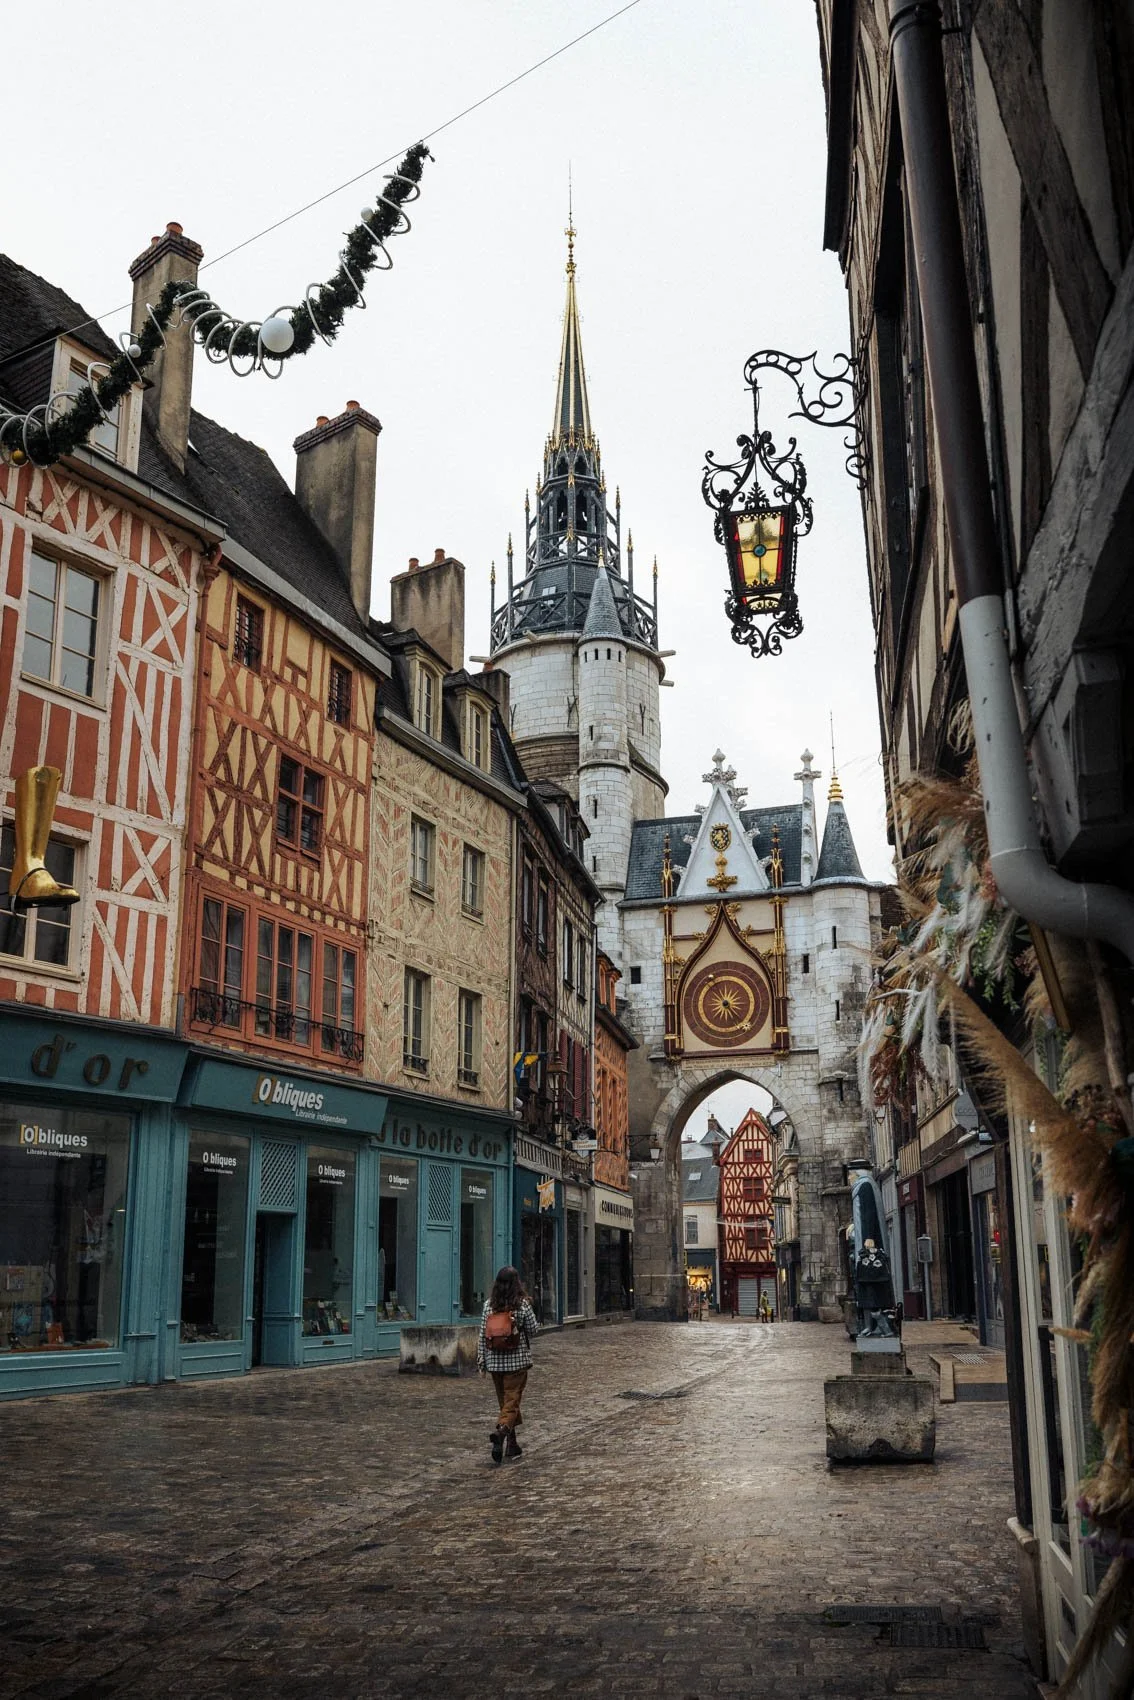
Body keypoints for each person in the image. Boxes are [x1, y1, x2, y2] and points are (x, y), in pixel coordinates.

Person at [477, 1265, 539, 1465]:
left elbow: (482, 1335)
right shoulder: (521, 1304)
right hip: (516, 1362)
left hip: (495, 1363)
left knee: (506, 1404)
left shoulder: (488, 1305)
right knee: (511, 1403)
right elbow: (533, 1330)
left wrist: (482, 1361)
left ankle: (512, 1444)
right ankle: (501, 1432)